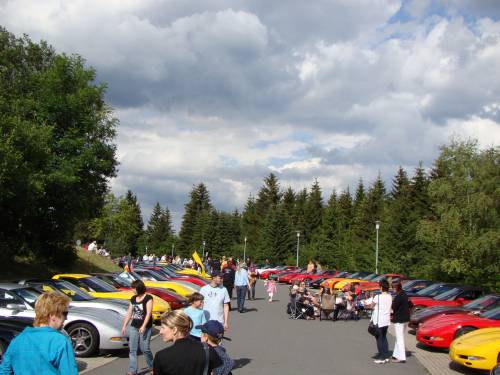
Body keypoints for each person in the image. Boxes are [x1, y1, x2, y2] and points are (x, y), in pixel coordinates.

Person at [0, 291, 78, 375]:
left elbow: (4, 371)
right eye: (65, 313)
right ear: (52, 315)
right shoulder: (60, 341)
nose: (66, 318)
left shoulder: (17, 340)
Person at [154, 310, 222, 375]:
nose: (160, 332)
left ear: (174, 330)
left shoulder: (161, 356)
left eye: (163, 328)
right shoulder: (207, 349)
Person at [121, 280, 154, 375]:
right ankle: (132, 371)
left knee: (145, 349)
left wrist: (143, 326)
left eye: (133, 288)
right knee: (132, 349)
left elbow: (148, 314)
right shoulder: (133, 298)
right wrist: (124, 325)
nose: (132, 290)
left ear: (138, 288)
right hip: (134, 326)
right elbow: (129, 312)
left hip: (145, 327)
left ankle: (152, 366)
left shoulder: (148, 298)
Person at [369, 280, 393, 364]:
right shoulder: (390, 296)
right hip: (386, 321)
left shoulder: (378, 297)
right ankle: (386, 356)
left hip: (379, 321)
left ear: (381, 287)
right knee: (384, 338)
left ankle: (382, 357)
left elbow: (371, 306)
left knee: (379, 339)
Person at [391, 281, 411, 363]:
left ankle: (402, 357)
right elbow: (411, 305)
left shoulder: (398, 297)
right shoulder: (405, 295)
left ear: (396, 288)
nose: (392, 290)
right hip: (406, 319)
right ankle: (396, 355)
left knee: (399, 338)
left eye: (393, 288)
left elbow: (393, 307)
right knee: (399, 337)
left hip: (399, 319)